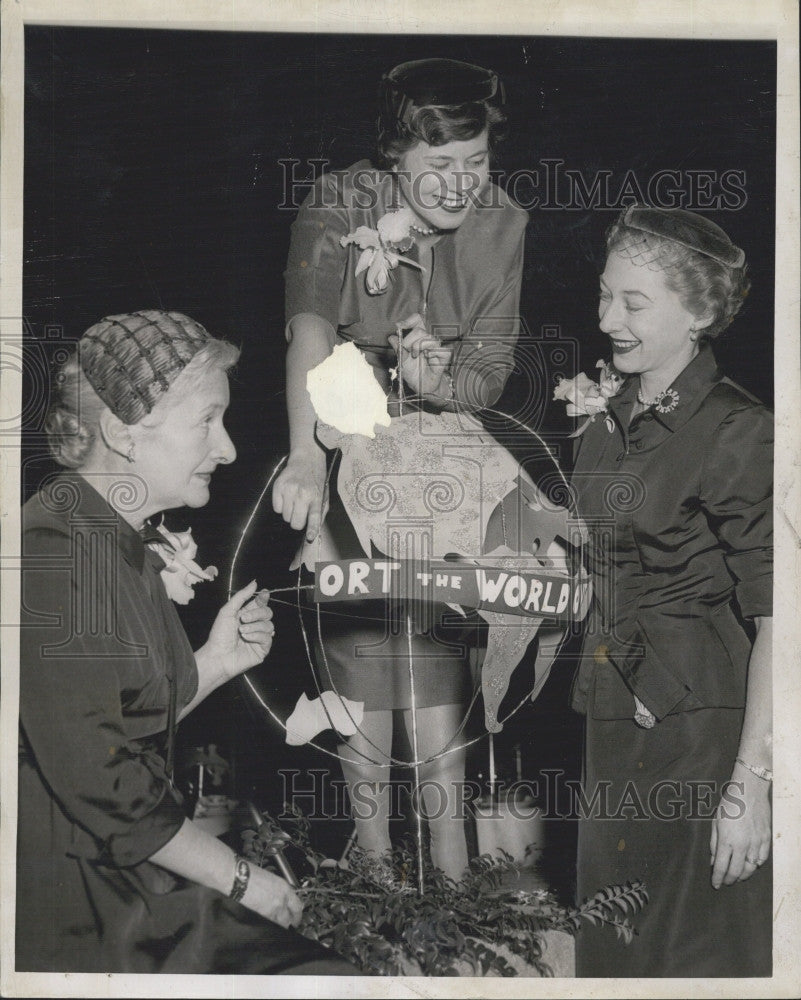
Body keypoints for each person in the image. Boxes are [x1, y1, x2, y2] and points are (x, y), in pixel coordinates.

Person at [17, 310, 356, 974]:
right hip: (68, 902)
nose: (227, 449)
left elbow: (120, 719)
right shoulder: (52, 549)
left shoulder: (111, 539)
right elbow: (101, 776)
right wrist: (241, 879)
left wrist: (219, 661)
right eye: (206, 420)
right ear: (121, 432)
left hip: (119, 878)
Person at [272, 58, 528, 880]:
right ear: (393, 155)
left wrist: (435, 381)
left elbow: (484, 380)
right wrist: (307, 454)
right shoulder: (338, 200)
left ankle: (460, 900)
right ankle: (373, 880)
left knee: (438, 693)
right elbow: (310, 328)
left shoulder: (505, 225)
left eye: (476, 163)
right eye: (437, 166)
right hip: (340, 436)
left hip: (440, 470)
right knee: (360, 688)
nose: (459, 186)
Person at [566, 207, 772, 976]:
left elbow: (779, 618)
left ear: (699, 314)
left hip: (700, 733)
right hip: (612, 713)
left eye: (631, 303)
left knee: (690, 954)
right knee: (610, 949)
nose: (603, 319)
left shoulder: (737, 430)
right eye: (601, 296)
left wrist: (749, 785)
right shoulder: (600, 421)